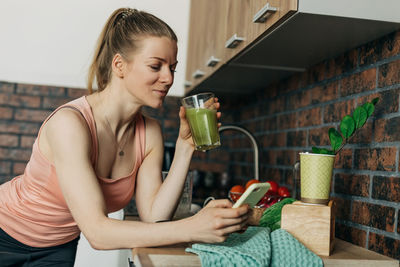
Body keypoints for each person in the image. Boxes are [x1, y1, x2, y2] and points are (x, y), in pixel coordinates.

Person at [0, 7, 249, 266]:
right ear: (119, 65)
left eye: (172, 68)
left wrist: (185, 147)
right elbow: (97, 233)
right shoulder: (70, 124)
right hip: (5, 235)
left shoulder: (149, 131)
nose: (168, 78)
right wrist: (193, 228)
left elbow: (154, 216)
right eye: (156, 66)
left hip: (58, 248)